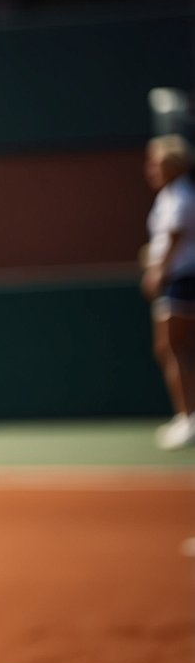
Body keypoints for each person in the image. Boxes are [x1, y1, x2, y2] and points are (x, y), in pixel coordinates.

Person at [141, 134, 195, 450]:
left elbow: (175, 237)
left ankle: (188, 417)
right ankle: (186, 416)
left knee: (172, 347)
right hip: (181, 278)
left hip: (182, 280)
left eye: (158, 163)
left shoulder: (179, 196)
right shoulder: (171, 195)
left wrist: (157, 273)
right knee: (176, 348)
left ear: (174, 165)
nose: (151, 169)